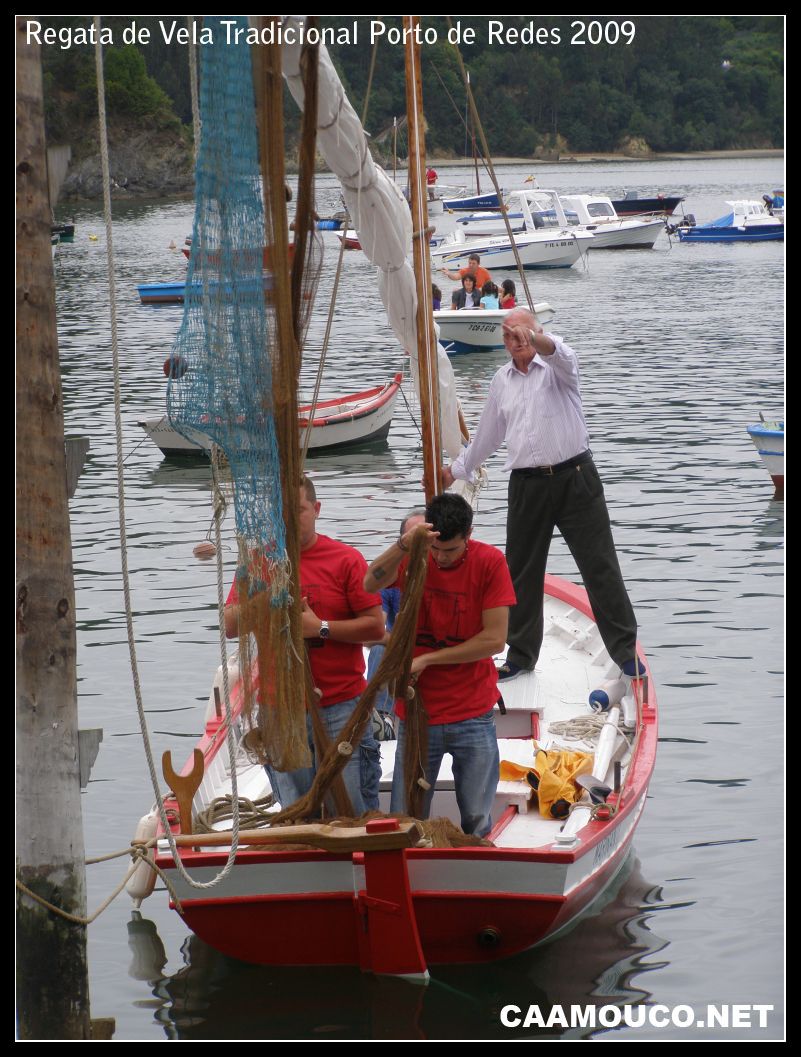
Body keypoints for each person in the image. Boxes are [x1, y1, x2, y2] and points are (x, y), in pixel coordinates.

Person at [440, 307, 641, 683]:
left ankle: (625, 651)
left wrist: (532, 339)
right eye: (507, 336)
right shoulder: (502, 380)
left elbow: (559, 352)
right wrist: (453, 471)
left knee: (599, 566)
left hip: (575, 478)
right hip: (527, 485)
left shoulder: (559, 367)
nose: (513, 341)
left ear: (537, 333)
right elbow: (488, 435)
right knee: (520, 571)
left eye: (521, 334)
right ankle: (521, 654)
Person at [224, 475, 385, 812]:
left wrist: (320, 628)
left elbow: (375, 628)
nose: (289, 520)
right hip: (280, 709)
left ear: (316, 509)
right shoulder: (257, 565)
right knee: (296, 808)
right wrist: (270, 595)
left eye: (298, 510)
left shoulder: (345, 560)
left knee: (352, 806)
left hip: (341, 706)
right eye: (281, 512)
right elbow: (231, 626)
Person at [364, 493, 515, 837]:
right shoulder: (416, 556)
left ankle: (473, 874)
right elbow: (370, 582)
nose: (441, 558)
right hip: (417, 714)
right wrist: (405, 544)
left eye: (451, 551)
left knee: (476, 818)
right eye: (436, 550)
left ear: (469, 535)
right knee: (406, 818)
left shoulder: (490, 562)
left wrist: (428, 658)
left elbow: (494, 640)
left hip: (472, 712)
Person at [365, 509, 427, 720]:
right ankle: (381, 719)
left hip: (434, 650)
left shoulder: (445, 570)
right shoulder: (391, 577)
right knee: (378, 651)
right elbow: (371, 634)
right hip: (400, 649)